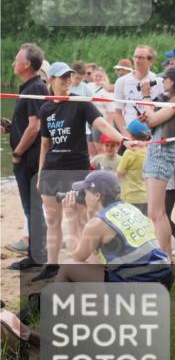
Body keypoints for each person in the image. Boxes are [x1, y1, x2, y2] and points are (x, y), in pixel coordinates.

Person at [35, 62, 126, 281]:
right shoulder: (46, 108)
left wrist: (123, 140)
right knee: (53, 220)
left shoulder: (80, 102)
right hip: (51, 170)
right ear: (51, 80)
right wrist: (40, 174)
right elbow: (45, 144)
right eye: (62, 77)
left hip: (76, 169)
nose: (67, 80)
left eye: (69, 76)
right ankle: (52, 265)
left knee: (80, 219)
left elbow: (102, 124)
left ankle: (90, 263)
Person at [53, 170, 172, 287]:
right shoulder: (129, 208)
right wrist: (88, 213)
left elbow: (76, 256)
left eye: (85, 192)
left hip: (140, 285)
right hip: (163, 278)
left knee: (68, 266)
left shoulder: (98, 223)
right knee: (95, 261)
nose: (83, 197)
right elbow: (91, 254)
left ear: (97, 196)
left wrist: (71, 218)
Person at [4, 43, 49, 271]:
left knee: (32, 207)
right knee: (31, 207)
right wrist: (11, 127)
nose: (13, 62)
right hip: (28, 156)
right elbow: (28, 125)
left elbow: (35, 127)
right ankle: (36, 253)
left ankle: (37, 256)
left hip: (29, 157)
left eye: (17, 58)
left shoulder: (36, 87)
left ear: (27, 64)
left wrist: (17, 153)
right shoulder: (30, 87)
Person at [140, 66, 175, 254]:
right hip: (157, 151)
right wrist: (148, 115)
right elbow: (154, 121)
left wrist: (146, 96)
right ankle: (164, 255)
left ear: (173, 81)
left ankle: (165, 256)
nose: (162, 82)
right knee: (157, 212)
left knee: (157, 213)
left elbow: (153, 120)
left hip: (161, 153)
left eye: (165, 79)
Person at [111, 46, 163, 135]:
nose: (137, 61)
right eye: (135, 57)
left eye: (141, 58)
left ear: (150, 61)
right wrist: (126, 135)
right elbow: (117, 113)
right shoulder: (122, 81)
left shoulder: (159, 81)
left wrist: (149, 115)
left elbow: (162, 110)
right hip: (129, 130)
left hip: (151, 132)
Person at [118, 119, 151, 212]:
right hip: (145, 196)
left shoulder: (129, 153)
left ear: (132, 136)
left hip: (130, 197)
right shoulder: (148, 152)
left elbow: (119, 173)